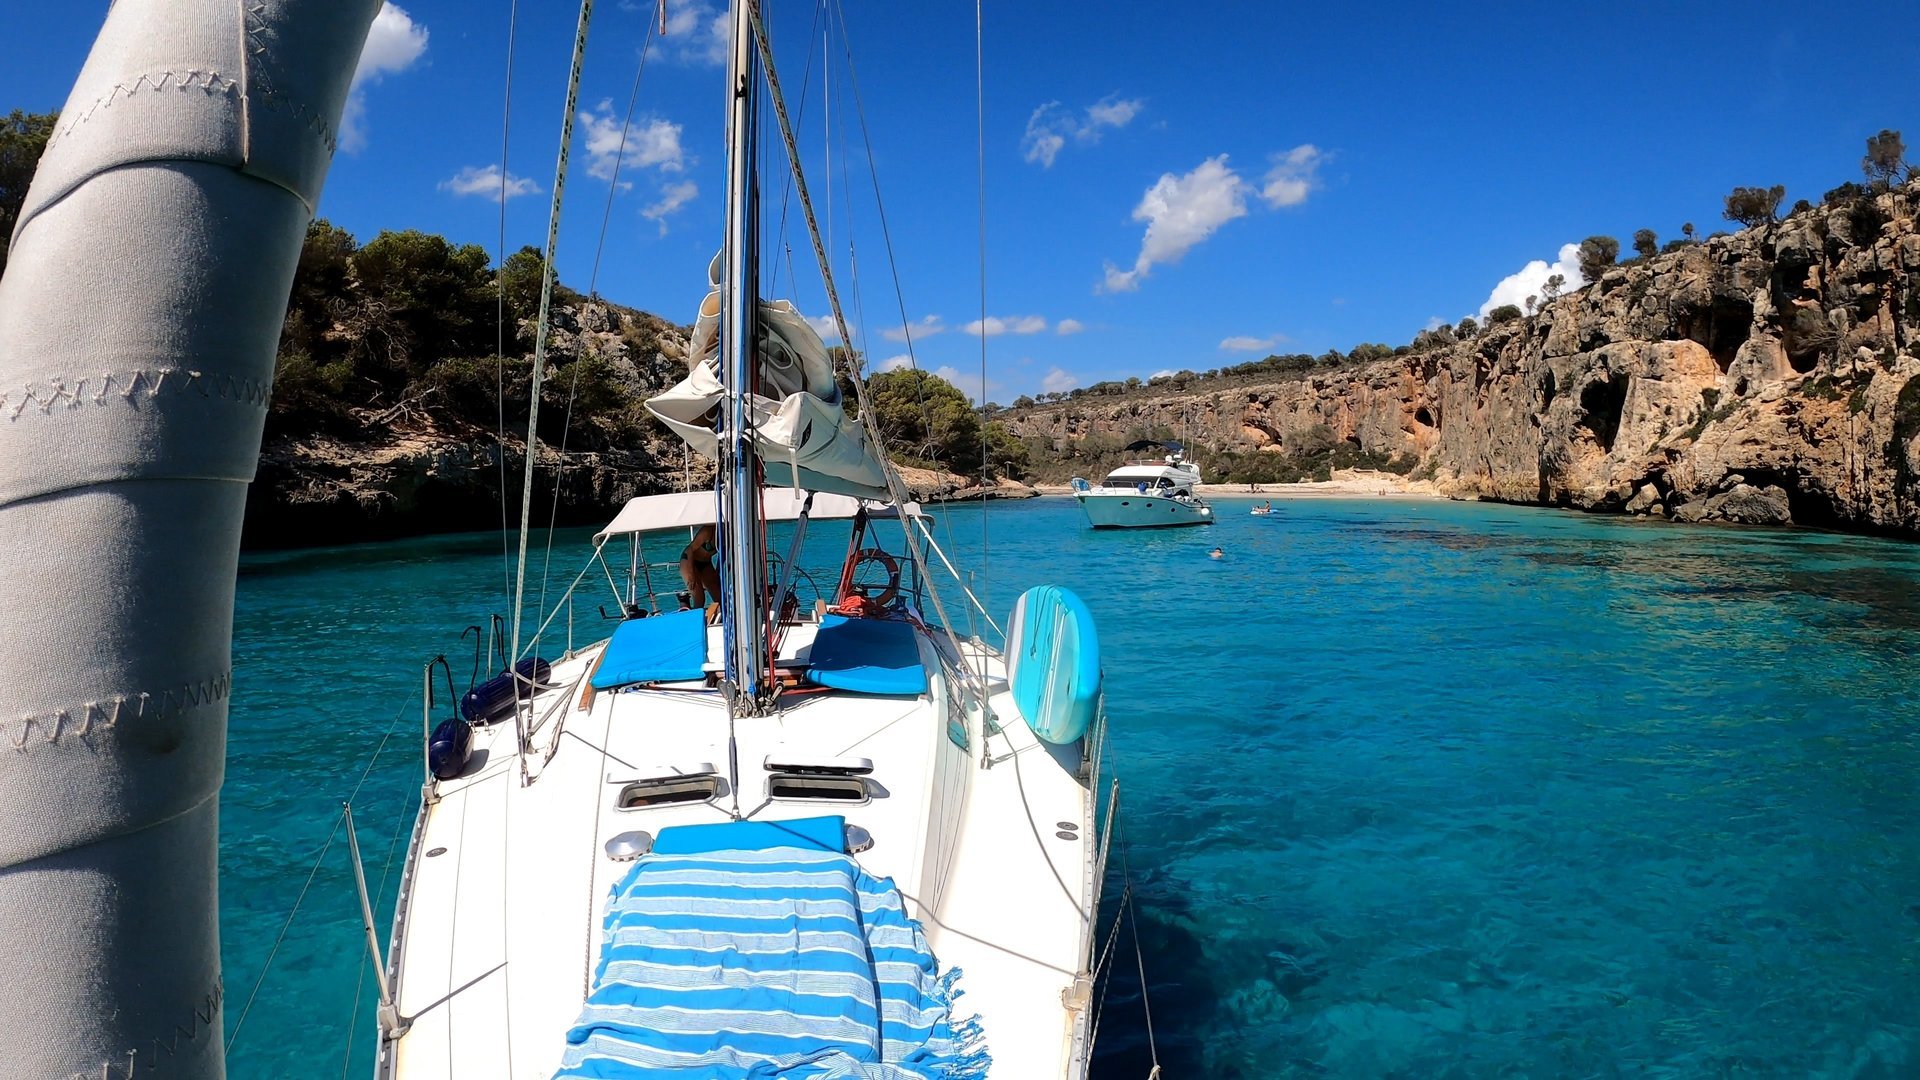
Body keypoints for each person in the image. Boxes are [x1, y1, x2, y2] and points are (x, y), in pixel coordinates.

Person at [679, 523, 721, 609]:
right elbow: (690, 549)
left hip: (706, 563)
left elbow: (723, 556)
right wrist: (691, 574)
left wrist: (717, 572)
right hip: (689, 560)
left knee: (719, 596)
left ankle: (720, 614)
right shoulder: (707, 531)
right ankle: (686, 605)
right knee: (699, 598)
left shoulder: (728, 534)